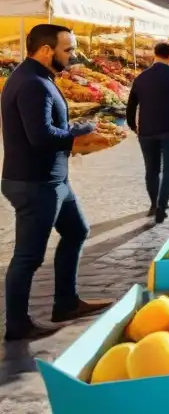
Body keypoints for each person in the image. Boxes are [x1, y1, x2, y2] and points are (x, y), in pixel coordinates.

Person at [1, 24, 111, 342]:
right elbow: (41, 136)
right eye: (68, 49)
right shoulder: (32, 82)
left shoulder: (39, 78)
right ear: (47, 50)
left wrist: (81, 129)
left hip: (53, 180)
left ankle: (65, 303)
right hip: (34, 183)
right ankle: (17, 325)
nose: (73, 55)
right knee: (28, 256)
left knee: (77, 231)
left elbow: (50, 127)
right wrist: (81, 138)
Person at [126, 42, 169, 224]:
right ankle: (162, 207)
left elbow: (131, 106)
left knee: (151, 170)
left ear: (154, 54)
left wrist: (133, 125)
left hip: (146, 131)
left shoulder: (140, 78)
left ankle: (152, 204)